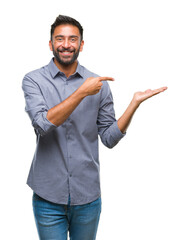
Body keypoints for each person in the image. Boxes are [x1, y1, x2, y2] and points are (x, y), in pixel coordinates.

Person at [22, 15, 167, 240]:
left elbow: (109, 138)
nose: (66, 45)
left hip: (87, 196)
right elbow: (42, 125)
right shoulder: (34, 80)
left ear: (81, 44)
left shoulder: (99, 84)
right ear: (51, 44)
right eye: (60, 39)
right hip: (47, 197)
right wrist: (81, 92)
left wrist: (134, 104)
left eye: (73, 39)